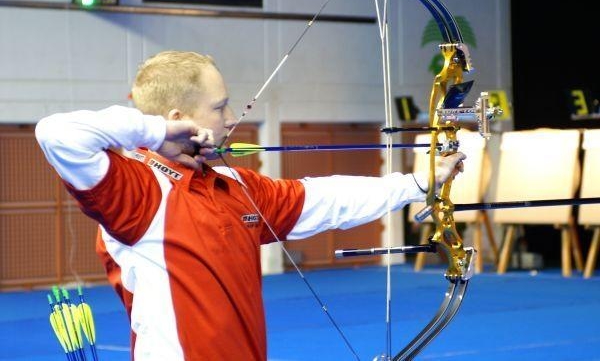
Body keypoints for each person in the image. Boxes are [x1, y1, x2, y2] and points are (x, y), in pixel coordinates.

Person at [35, 51, 466, 360]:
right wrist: (154, 131)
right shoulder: (137, 192)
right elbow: (56, 134)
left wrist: (417, 182)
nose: (228, 119)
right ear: (178, 117)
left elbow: (326, 199)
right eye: (219, 107)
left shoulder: (234, 183)